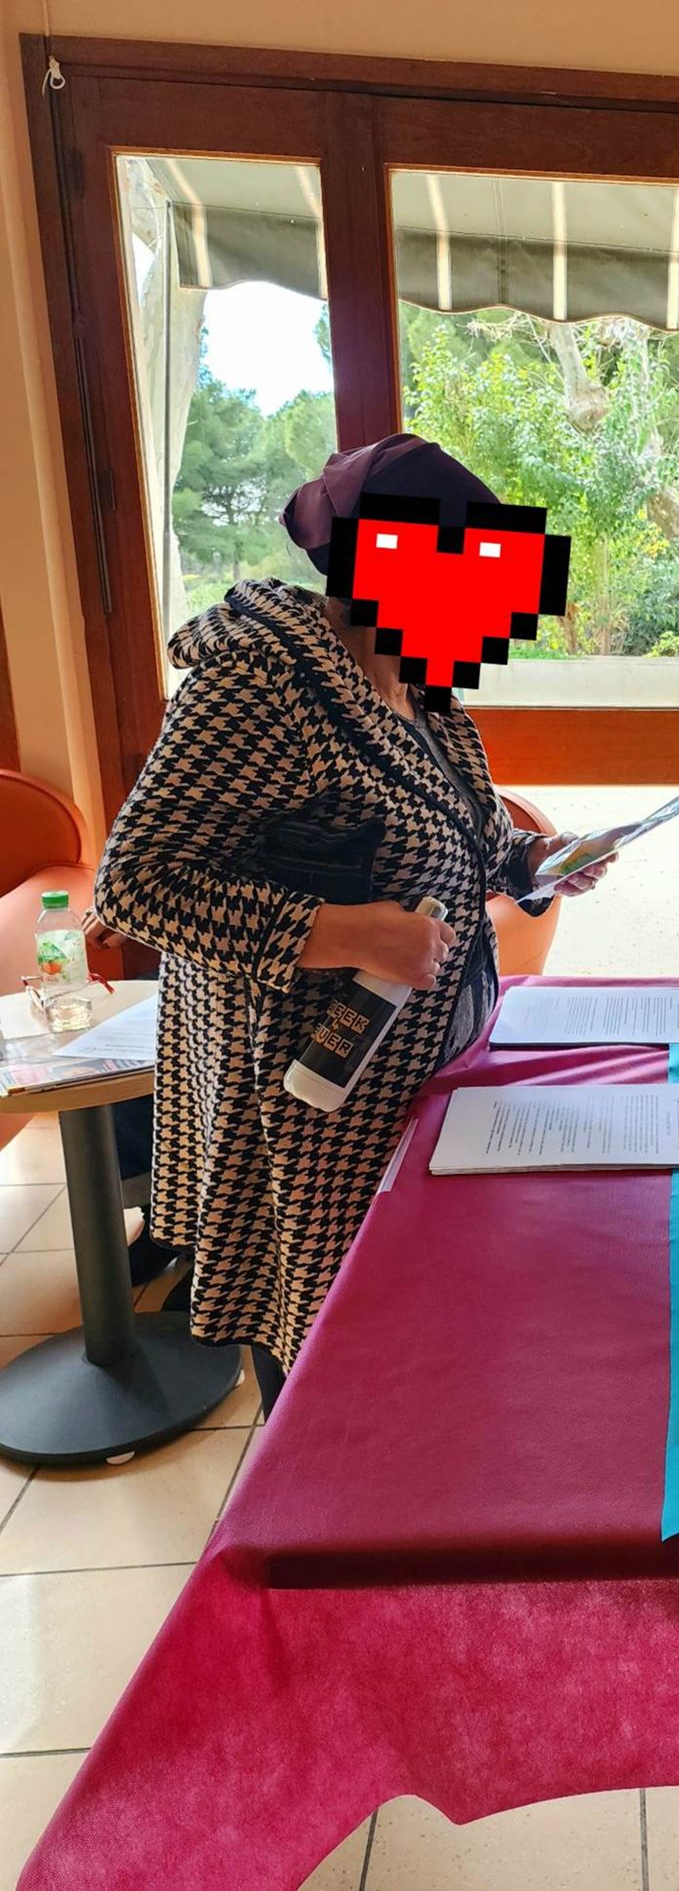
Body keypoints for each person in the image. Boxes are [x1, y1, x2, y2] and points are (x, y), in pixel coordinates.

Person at [89, 435, 610, 1412]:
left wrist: (539, 862)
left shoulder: (424, 690)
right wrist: (345, 932)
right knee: (326, 1359)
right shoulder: (262, 679)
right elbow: (135, 885)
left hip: (427, 1068)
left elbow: (463, 839)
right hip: (309, 1103)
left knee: (412, 1336)